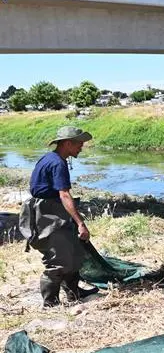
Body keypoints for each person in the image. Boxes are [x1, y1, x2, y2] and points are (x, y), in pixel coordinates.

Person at [19, 126, 94, 307]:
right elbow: (64, 195)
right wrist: (81, 223)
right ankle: (50, 302)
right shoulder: (57, 163)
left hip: (52, 209)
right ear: (68, 143)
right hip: (47, 213)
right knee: (58, 258)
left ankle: (74, 292)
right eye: (79, 145)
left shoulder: (51, 158)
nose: (81, 148)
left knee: (73, 250)